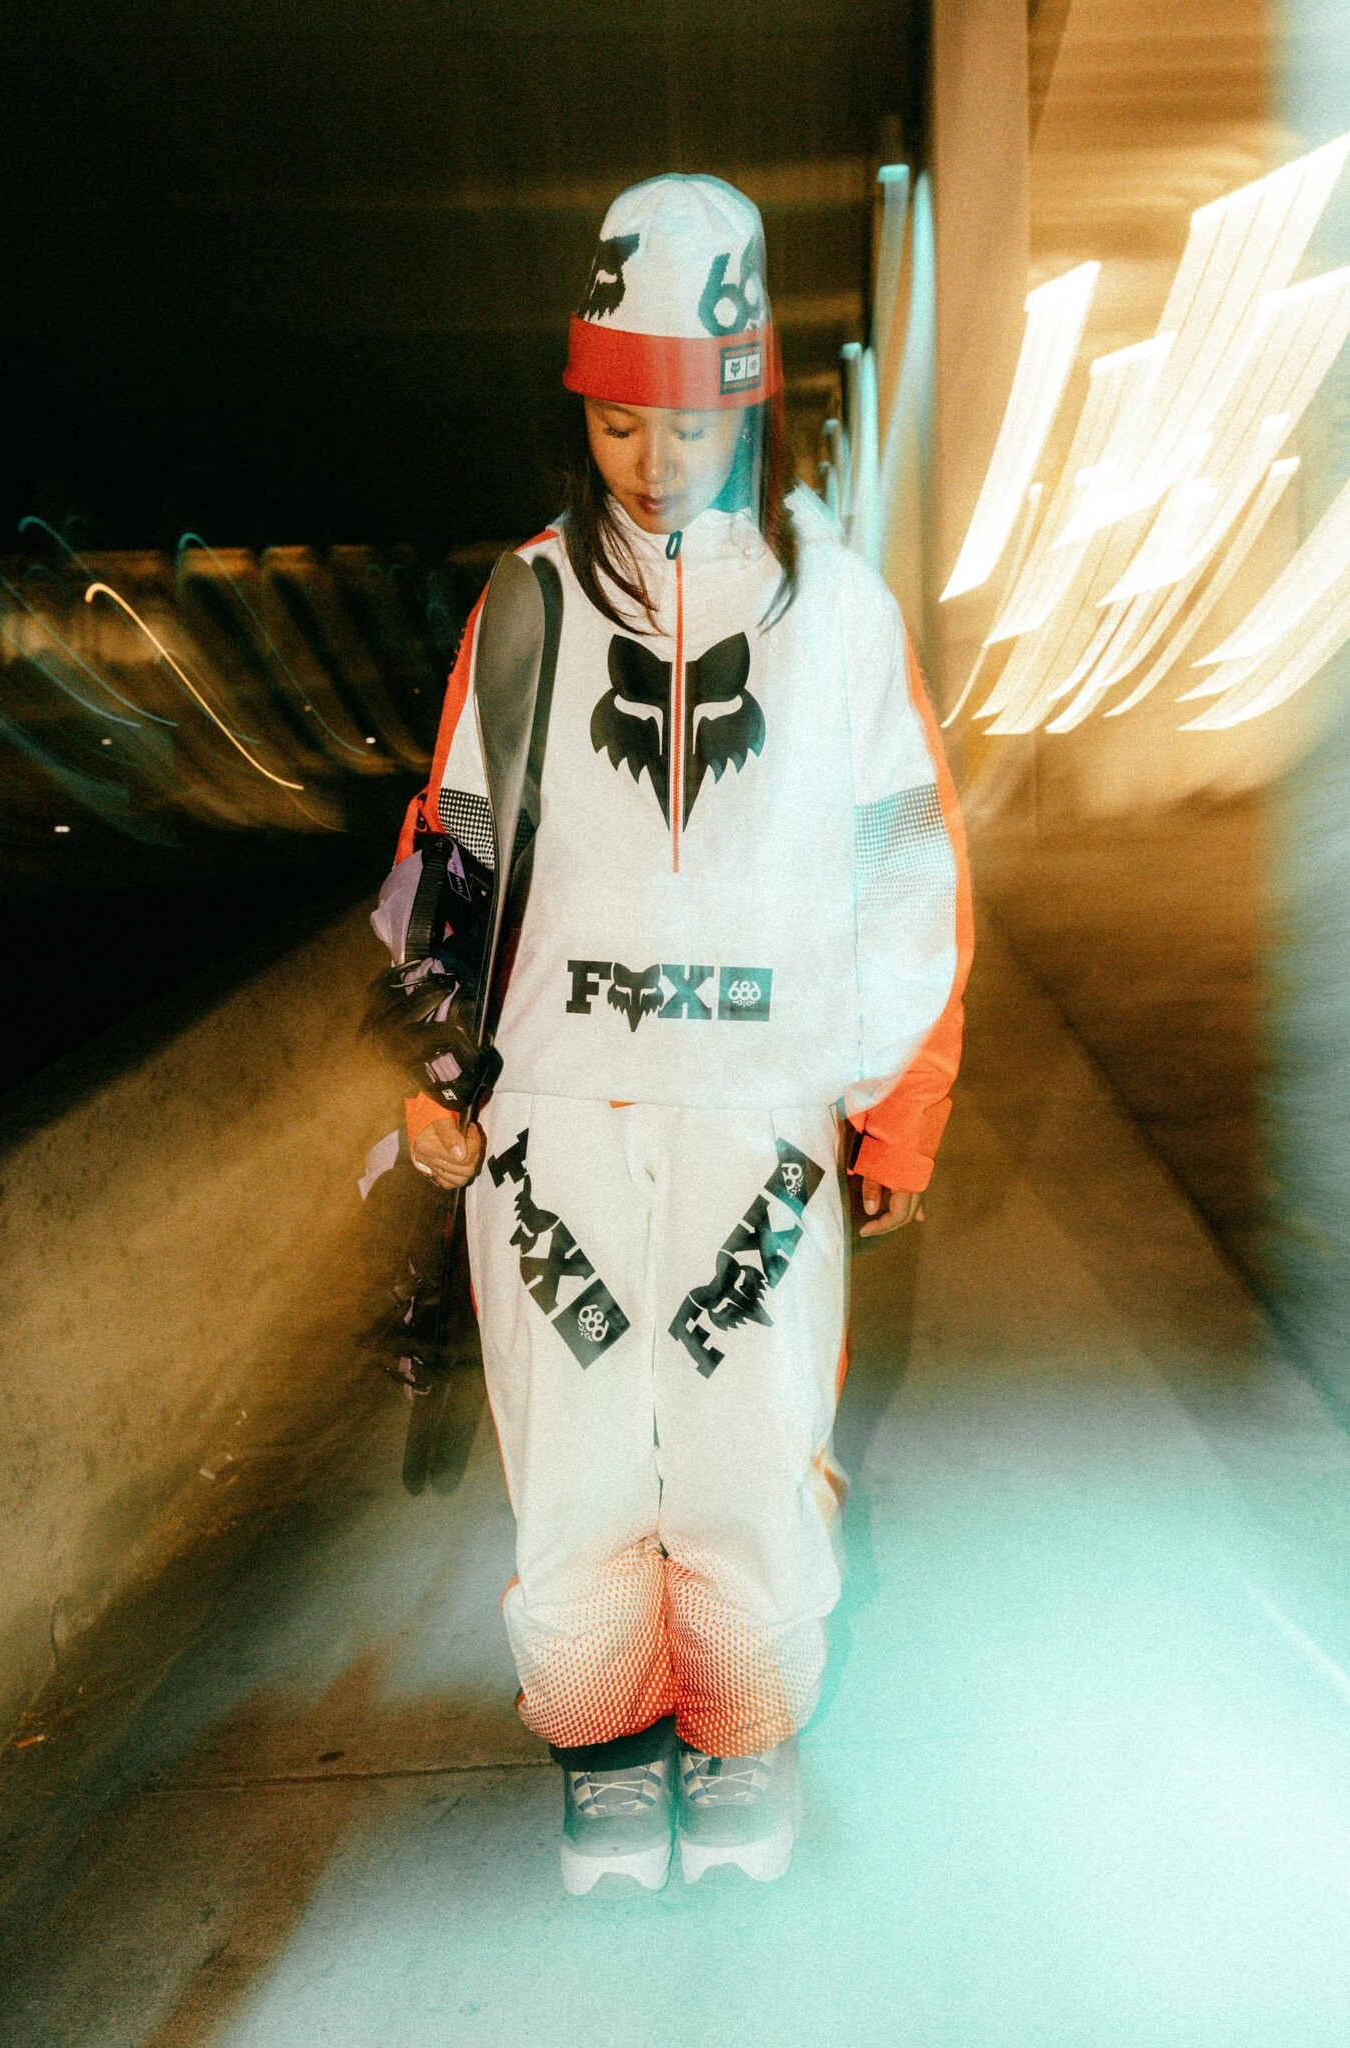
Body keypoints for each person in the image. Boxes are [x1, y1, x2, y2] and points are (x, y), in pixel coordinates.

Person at [375, 173, 972, 1894]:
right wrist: (431, 1076)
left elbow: (906, 866)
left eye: (690, 420)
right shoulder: (525, 605)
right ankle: (599, 1744)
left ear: (749, 402)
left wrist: (899, 1102)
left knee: (743, 1445)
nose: (653, 457)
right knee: (571, 1455)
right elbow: (452, 850)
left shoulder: (836, 612)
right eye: (617, 421)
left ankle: (738, 1734)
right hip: (552, 1119)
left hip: (759, 1117)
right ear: (580, 409)